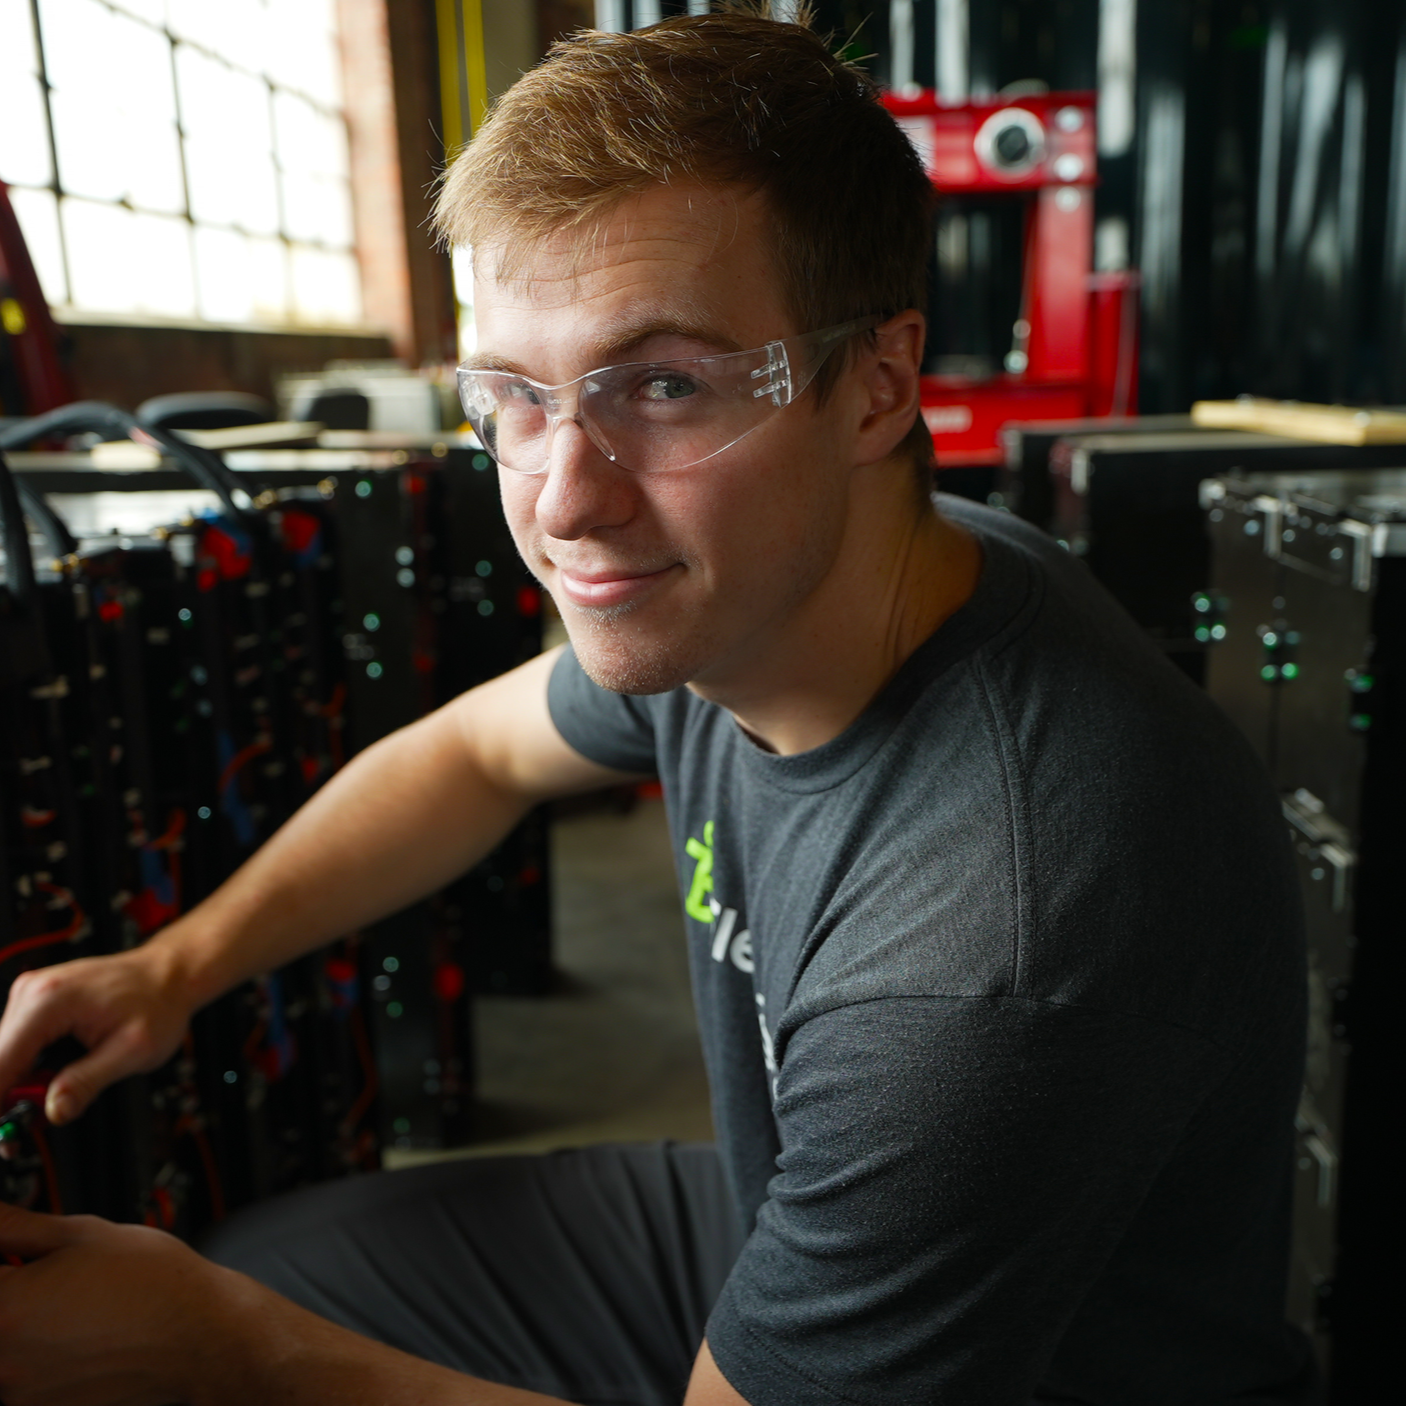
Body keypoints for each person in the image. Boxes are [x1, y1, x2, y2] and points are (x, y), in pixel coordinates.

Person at [0, 9, 1315, 1406]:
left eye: (667, 385)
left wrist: (230, 1348)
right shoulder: (780, 594)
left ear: (874, 383)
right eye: (514, 393)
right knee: (274, 1252)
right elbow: (471, 753)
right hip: (773, 1209)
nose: (563, 498)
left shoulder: (995, 947)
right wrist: (174, 968)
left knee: (217, 1345)